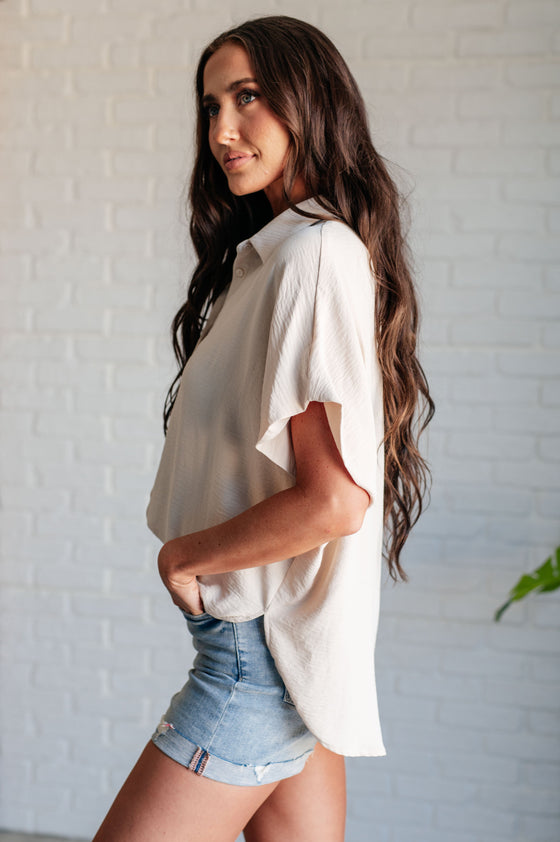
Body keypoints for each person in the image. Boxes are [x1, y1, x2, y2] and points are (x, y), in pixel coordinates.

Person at [93, 15, 433, 842]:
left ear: (307, 101)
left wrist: (186, 554)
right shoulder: (276, 256)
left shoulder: (314, 255)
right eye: (210, 106)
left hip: (251, 663)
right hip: (276, 653)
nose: (221, 130)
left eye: (247, 98)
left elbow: (334, 502)